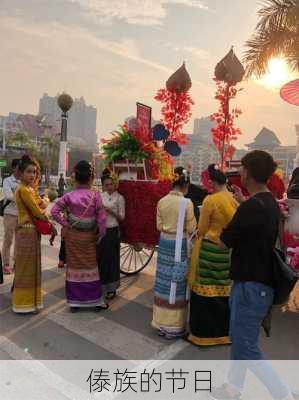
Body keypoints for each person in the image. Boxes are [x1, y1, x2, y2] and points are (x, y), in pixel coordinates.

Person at [211, 150, 294, 400]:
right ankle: (233, 388)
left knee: (245, 345)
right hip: (259, 283)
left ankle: (283, 394)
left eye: (243, 168)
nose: (240, 173)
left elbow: (224, 242)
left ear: (248, 172)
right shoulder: (268, 203)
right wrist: (241, 203)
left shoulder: (251, 208)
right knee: (240, 340)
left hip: (250, 285)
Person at [188, 164, 238, 346]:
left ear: (211, 181)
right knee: (222, 292)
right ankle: (223, 334)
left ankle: (203, 336)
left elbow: (201, 229)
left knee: (203, 292)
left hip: (209, 251)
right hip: (226, 253)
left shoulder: (211, 200)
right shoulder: (234, 200)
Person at [51, 160, 108, 312]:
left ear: (75, 178)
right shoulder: (95, 196)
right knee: (90, 268)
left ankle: (75, 302)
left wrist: (65, 224)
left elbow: (54, 211)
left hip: (73, 238)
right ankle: (93, 300)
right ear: (91, 178)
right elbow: (102, 219)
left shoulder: (69, 196)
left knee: (74, 268)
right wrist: (101, 235)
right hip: (89, 238)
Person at [152, 170, 196, 339]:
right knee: (177, 281)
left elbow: (158, 225)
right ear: (185, 185)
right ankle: (174, 326)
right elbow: (192, 228)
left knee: (163, 279)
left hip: (164, 243)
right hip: (180, 245)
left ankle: (160, 323)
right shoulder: (187, 203)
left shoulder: (162, 201)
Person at [13, 155, 48, 314]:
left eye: (34, 172)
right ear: (20, 173)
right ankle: (23, 304)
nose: (32, 175)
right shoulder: (24, 190)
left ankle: (29, 303)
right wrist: (47, 201)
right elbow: (38, 211)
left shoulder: (28, 189)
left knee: (30, 268)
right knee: (26, 269)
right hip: (26, 232)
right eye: (28, 172)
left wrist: (44, 201)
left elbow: (39, 204)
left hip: (30, 232)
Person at [97, 173, 125, 300]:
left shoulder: (119, 198)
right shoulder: (99, 196)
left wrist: (110, 211)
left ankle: (112, 288)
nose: (109, 187)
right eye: (106, 184)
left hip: (112, 231)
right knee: (101, 259)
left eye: (111, 184)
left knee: (112, 260)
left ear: (115, 184)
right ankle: (100, 285)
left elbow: (122, 217)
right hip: (100, 231)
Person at [2, 159, 20, 274]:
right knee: (8, 240)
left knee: (19, 240)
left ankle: (17, 262)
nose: (21, 170)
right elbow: (8, 195)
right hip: (10, 214)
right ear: (14, 168)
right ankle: (6, 264)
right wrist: (24, 199)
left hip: (22, 215)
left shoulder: (24, 181)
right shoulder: (7, 180)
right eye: (19, 168)